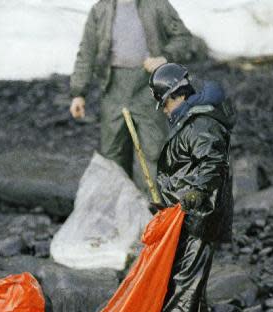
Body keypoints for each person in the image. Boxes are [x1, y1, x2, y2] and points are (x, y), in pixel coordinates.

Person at [148, 63, 235, 312]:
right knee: (189, 278)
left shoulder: (200, 124)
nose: (164, 110)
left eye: (165, 103)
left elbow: (211, 161)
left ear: (175, 96)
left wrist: (197, 193)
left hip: (200, 215)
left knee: (185, 280)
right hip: (188, 213)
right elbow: (184, 170)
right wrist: (168, 201)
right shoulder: (192, 120)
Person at [69, 0, 207, 192]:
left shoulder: (156, 5)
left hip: (148, 88)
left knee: (154, 151)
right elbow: (86, 52)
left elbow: (183, 38)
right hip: (113, 89)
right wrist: (78, 93)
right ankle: (120, 209)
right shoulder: (100, 10)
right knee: (113, 154)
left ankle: (155, 211)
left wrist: (164, 58)